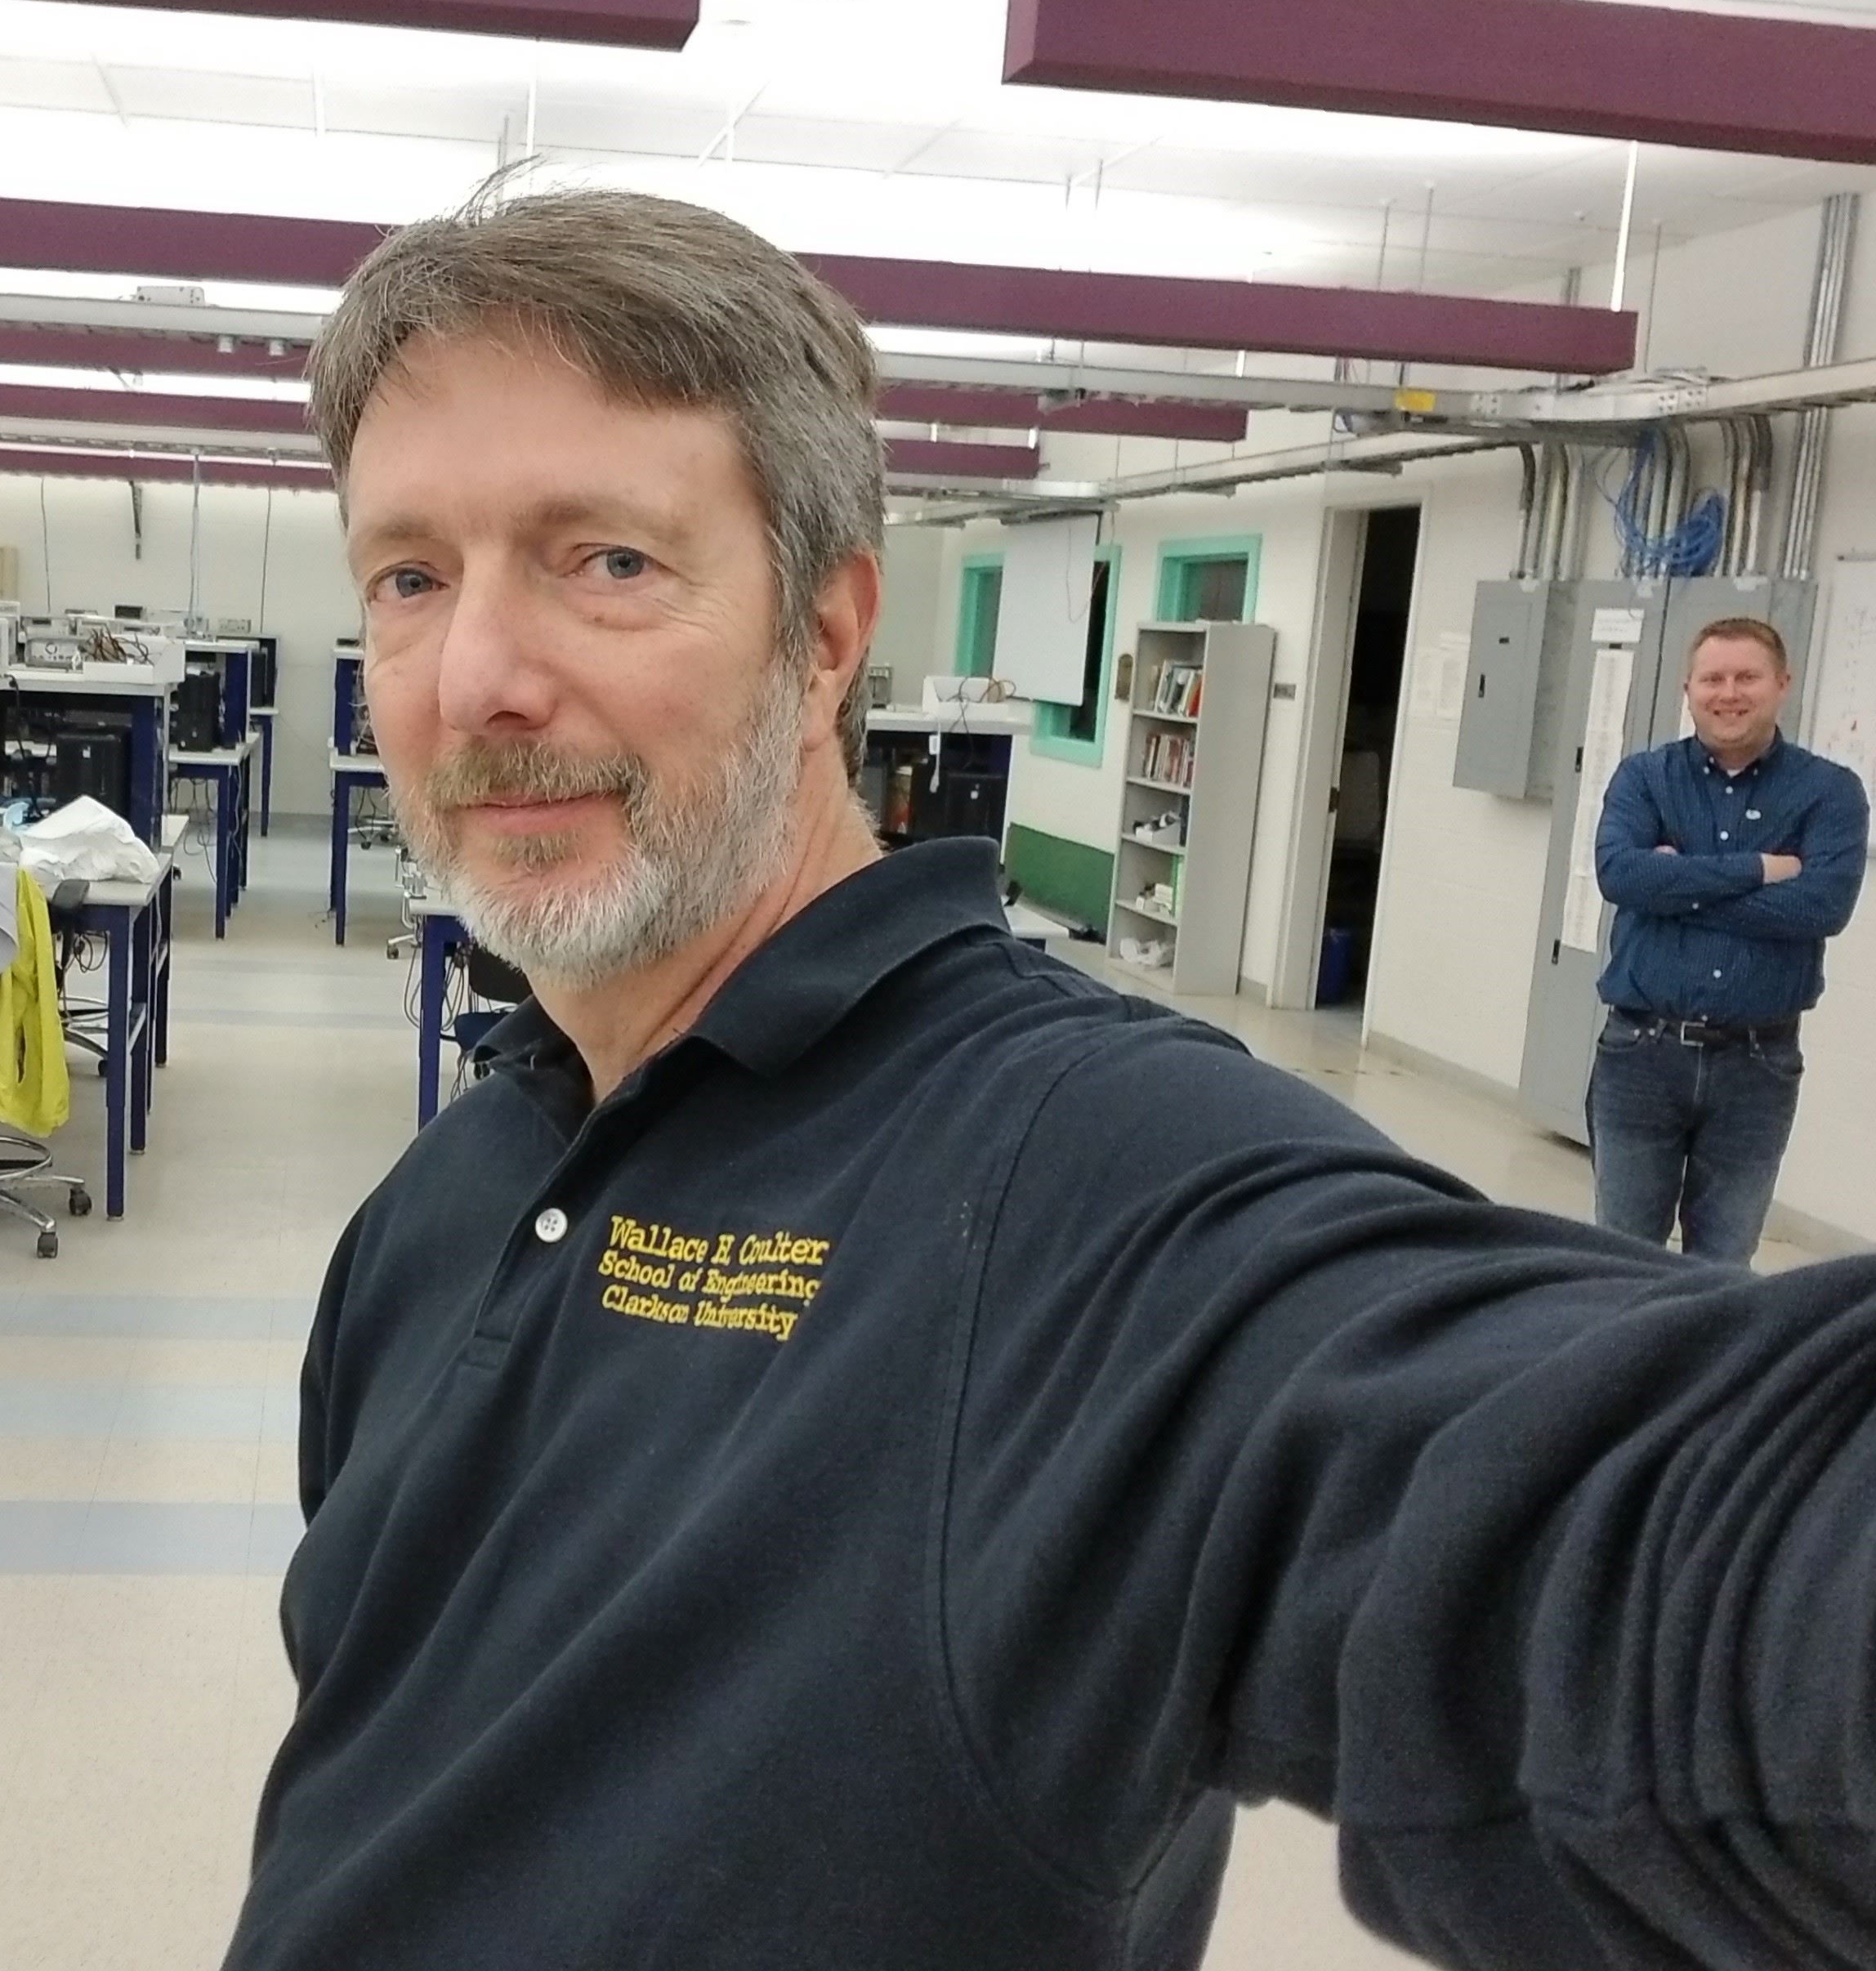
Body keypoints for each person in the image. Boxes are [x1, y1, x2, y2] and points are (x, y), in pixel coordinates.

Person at [220, 185, 1876, 1971]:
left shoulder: (1092, 1178)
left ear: (829, 630)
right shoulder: (445, 1202)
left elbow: (1645, 1540)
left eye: (606, 561)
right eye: (410, 576)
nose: (476, 676)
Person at [1587, 616, 1868, 1265]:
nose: (1729, 693)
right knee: (1619, 1258)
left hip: (1758, 1066)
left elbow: (1822, 905)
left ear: (1782, 684)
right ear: (1688, 689)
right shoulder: (1645, 778)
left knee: (1723, 1265)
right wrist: (1760, 869)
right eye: (1713, 678)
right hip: (1640, 1053)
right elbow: (1620, 874)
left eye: (1747, 676)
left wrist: (1675, 888)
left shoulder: (1830, 792)